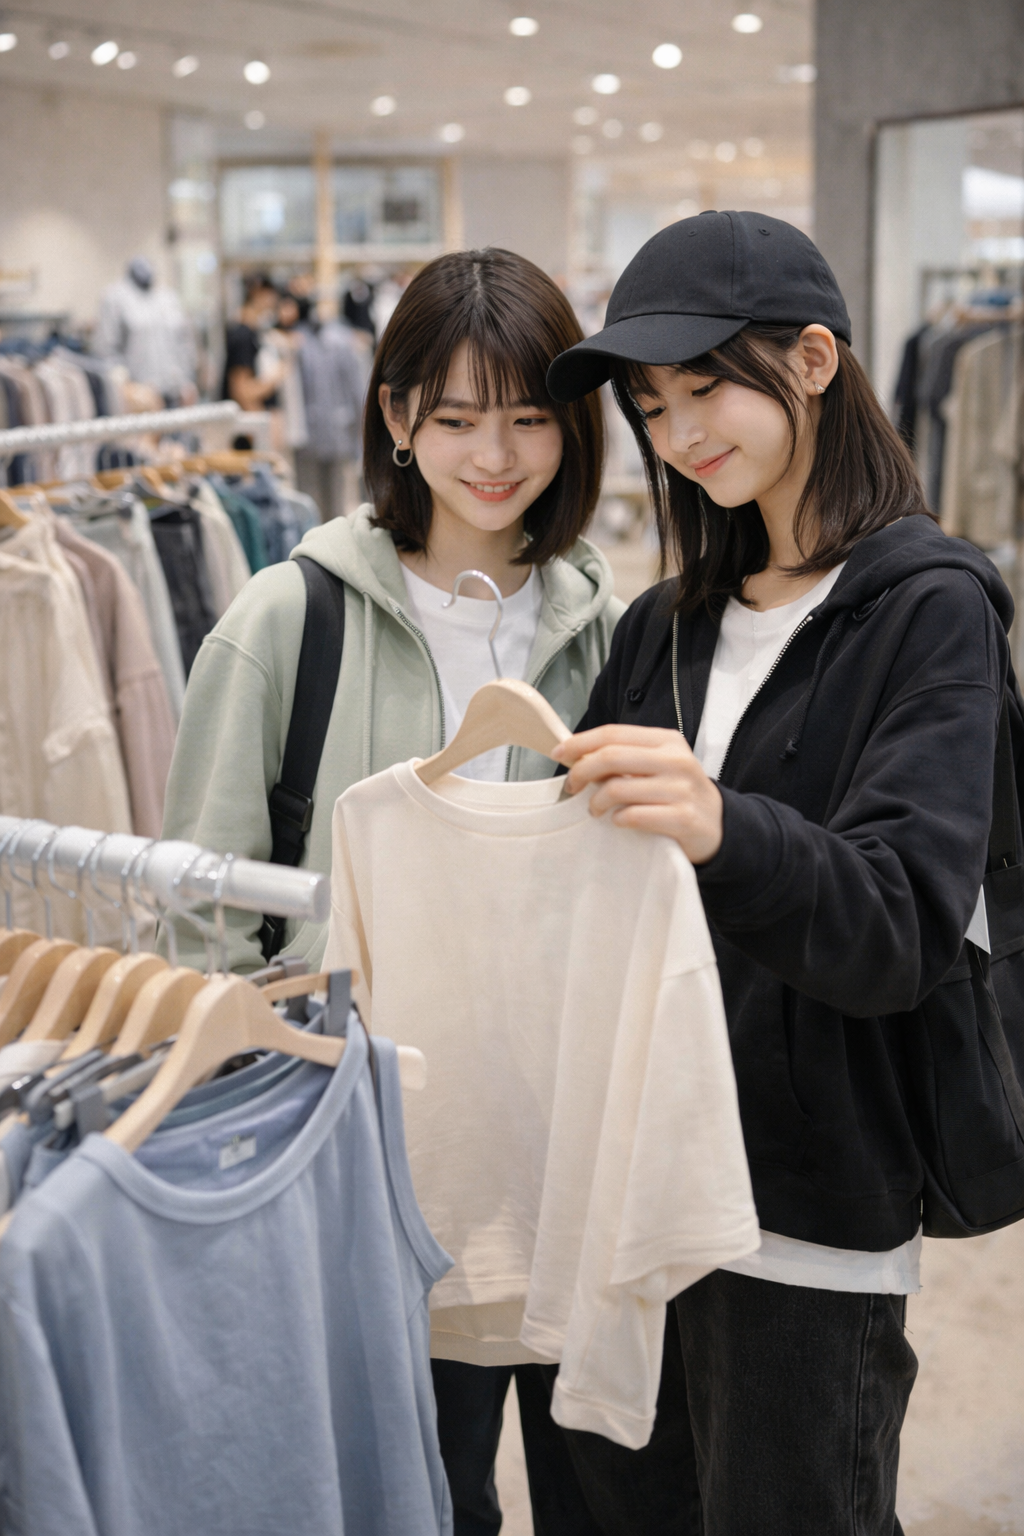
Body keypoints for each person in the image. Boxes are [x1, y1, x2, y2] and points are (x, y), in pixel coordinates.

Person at [543, 210, 1011, 1534]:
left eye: (706, 387)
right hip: (642, 1181)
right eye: (651, 403)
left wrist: (720, 823)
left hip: (809, 1205)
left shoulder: (933, 606)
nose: (680, 432)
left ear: (813, 359)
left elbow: (899, 921)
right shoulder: (667, 624)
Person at [162, 246, 624, 1535]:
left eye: (531, 416)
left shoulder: (616, 628)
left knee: (611, 1485)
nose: (496, 454)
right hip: (368, 1166)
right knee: (419, 1497)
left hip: (565, 1150)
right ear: (396, 415)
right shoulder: (281, 621)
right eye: (459, 415)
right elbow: (199, 910)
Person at [221, 273, 285, 414]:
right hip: (246, 427)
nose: (273, 300)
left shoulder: (253, 332)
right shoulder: (243, 335)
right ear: (258, 292)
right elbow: (242, 393)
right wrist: (275, 378)